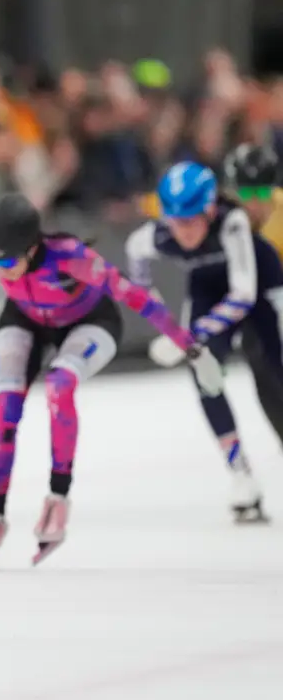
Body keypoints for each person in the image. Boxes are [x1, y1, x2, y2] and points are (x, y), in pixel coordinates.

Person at [0, 192, 221, 569]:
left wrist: (192, 349)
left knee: (60, 386)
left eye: (8, 260)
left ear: (32, 248)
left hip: (90, 322)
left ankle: (58, 496)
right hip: (25, 319)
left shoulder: (71, 257)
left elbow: (138, 299)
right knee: (5, 412)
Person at [126, 160, 283, 523]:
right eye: (175, 222)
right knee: (205, 377)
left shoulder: (233, 222)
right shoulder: (152, 237)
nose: (184, 233)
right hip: (208, 290)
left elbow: (243, 294)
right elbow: (139, 283)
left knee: (273, 371)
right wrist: (166, 326)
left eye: (193, 220)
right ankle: (241, 474)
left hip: (259, 282)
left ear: (211, 208)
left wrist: (187, 337)